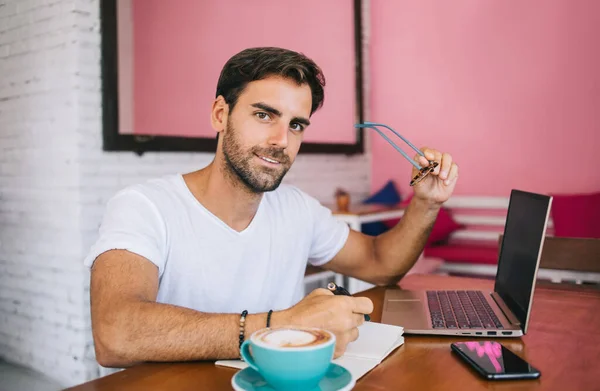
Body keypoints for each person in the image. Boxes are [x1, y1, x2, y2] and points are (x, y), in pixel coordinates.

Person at [85, 47, 459, 368]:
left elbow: (381, 263)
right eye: (264, 115)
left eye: (296, 125)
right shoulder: (144, 206)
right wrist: (282, 325)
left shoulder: (297, 209)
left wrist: (426, 202)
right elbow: (115, 332)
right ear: (220, 114)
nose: (281, 140)